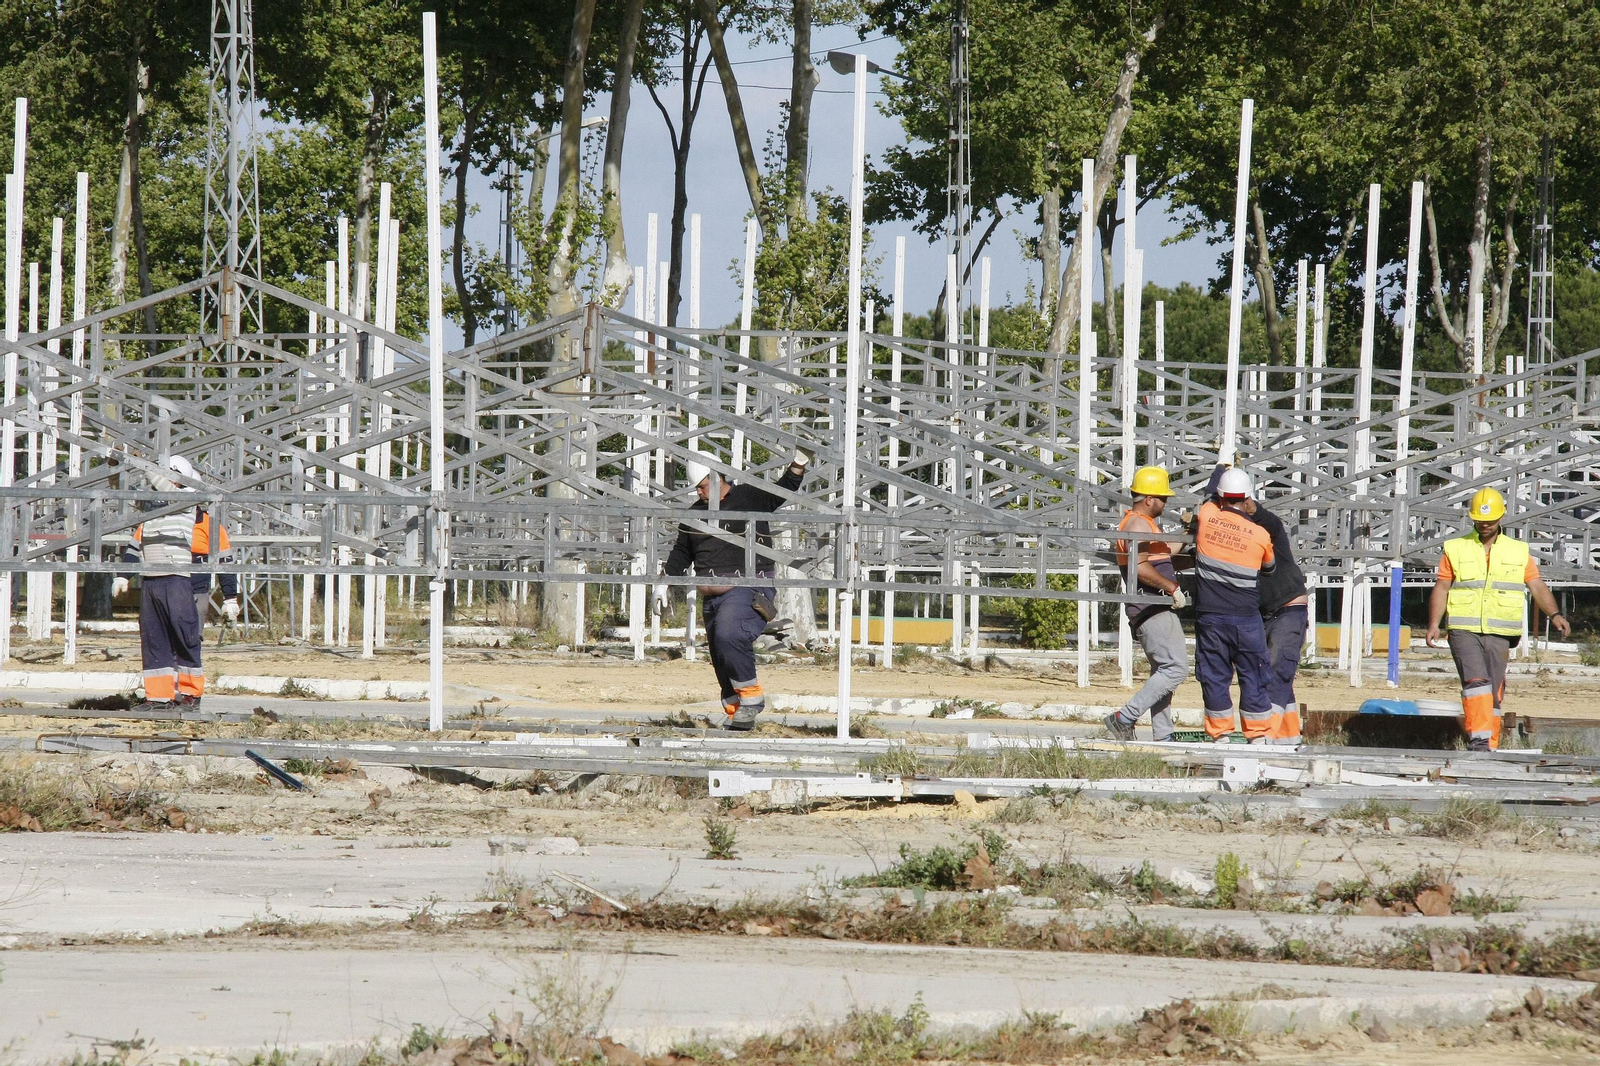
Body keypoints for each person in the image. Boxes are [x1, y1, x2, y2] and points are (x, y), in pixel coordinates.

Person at [663, 450, 810, 730]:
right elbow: (682, 551)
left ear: (718, 479)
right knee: (719, 651)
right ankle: (736, 712)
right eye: (696, 487)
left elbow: (782, 490)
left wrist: (798, 466)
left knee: (729, 633)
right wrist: (664, 582)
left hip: (747, 586)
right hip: (712, 593)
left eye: (703, 486)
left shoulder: (748, 498)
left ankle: (751, 700)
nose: (699, 492)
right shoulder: (694, 514)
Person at [1425, 487, 1569, 751]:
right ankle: (1479, 742)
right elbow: (1442, 587)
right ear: (1472, 519)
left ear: (1501, 517)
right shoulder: (1455, 548)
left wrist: (1555, 614)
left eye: (1489, 521)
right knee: (1476, 682)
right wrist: (1434, 623)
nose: (1485, 525)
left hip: (1501, 631)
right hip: (1463, 628)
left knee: (1493, 689)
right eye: (1480, 521)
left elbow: (1536, 585)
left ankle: (1488, 745)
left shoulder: (1517, 551)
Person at [112, 456, 234, 711]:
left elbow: (226, 561)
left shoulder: (186, 501)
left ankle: (190, 695)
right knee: (154, 640)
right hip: (151, 580)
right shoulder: (152, 513)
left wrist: (140, 463)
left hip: (178, 579)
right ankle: (158, 697)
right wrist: (124, 575)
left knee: (186, 637)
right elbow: (135, 546)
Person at [1103, 466, 1189, 742]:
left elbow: (1165, 553)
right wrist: (1172, 587)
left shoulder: (1147, 525)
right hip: (1150, 605)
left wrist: (1189, 531)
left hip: (1152, 605)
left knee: (1162, 672)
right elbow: (1139, 569)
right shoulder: (1137, 524)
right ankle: (1124, 717)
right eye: (1163, 498)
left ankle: (1163, 735)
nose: (1166, 503)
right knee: (1175, 669)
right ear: (1149, 498)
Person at [1193, 467, 1277, 743]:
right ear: (1248, 497)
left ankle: (1221, 737)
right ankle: (1258, 737)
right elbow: (1269, 569)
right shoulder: (1260, 534)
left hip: (1210, 617)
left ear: (1220, 497)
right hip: (1246, 619)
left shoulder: (1207, 517)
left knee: (1214, 675)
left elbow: (1207, 499)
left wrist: (1220, 469)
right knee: (1253, 674)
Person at [1241, 495, 1308, 746]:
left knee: (1279, 665)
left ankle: (1265, 736)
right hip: (1262, 612)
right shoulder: (1237, 541)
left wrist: (1245, 501)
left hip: (1289, 605)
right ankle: (1288, 739)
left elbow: (1264, 517)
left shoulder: (1268, 529)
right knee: (1270, 672)